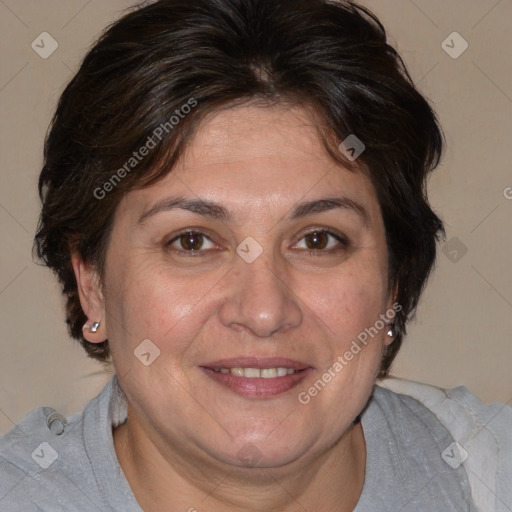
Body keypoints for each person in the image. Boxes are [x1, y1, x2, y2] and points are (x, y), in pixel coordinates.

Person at [0, 0, 510, 510]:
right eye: (192, 241)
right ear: (91, 285)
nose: (264, 311)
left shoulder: (489, 474)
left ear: (393, 282)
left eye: (318, 240)